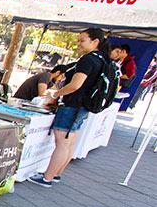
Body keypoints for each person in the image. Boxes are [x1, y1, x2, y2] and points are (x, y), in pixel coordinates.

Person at [29, 28, 112, 187]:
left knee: (62, 142)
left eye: (82, 40)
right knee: (69, 141)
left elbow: (75, 85)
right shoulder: (102, 60)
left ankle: (47, 177)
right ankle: (56, 174)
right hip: (83, 107)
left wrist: (55, 94)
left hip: (72, 105)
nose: (78, 44)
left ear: (95, 42)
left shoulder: (88, 60)